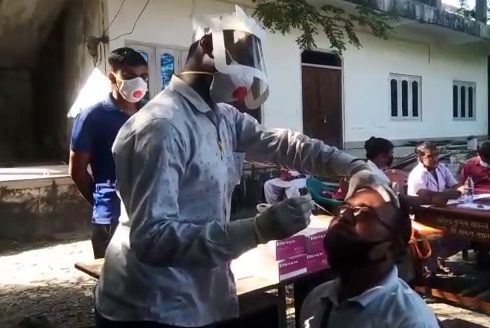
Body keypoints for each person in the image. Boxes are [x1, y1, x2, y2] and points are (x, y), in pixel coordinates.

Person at [93, 9, 395, 328]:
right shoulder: (162, 127)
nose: (249, 73)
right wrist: (256, 230)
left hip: (198, 295)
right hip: (150, 307)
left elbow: (283, 144)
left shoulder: (223, 117)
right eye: (243, 56)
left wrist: (352, 165)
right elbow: (153, 239)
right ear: (208, 47)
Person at [299, 187, 440, 328]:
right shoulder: (316, 300)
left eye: (364, 213)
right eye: (344, 208)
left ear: (392, 245)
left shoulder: (408, 321)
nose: (344, 216)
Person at [68, 47, 148, 259]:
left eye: (143, 76)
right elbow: (77, 172)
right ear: (113, 77)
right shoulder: (92, 117)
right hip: (111, 220)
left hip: (151, 215)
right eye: (130, 76)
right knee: (114, 287)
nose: (138, 82)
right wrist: (102, 202)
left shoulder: (153, 112)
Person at [406, 142, 467, 273]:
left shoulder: (442, 168)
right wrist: (449, 194)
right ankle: (432, 264)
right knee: (454, 232)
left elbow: (455, 185)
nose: (435, 159)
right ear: (420, 158)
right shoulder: (417, 174)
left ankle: (440, 256)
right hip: (423, 215)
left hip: (442, 211)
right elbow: (427, 196)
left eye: (436, 155)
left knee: (466, 232)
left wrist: (460, 189)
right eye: (430, 156)